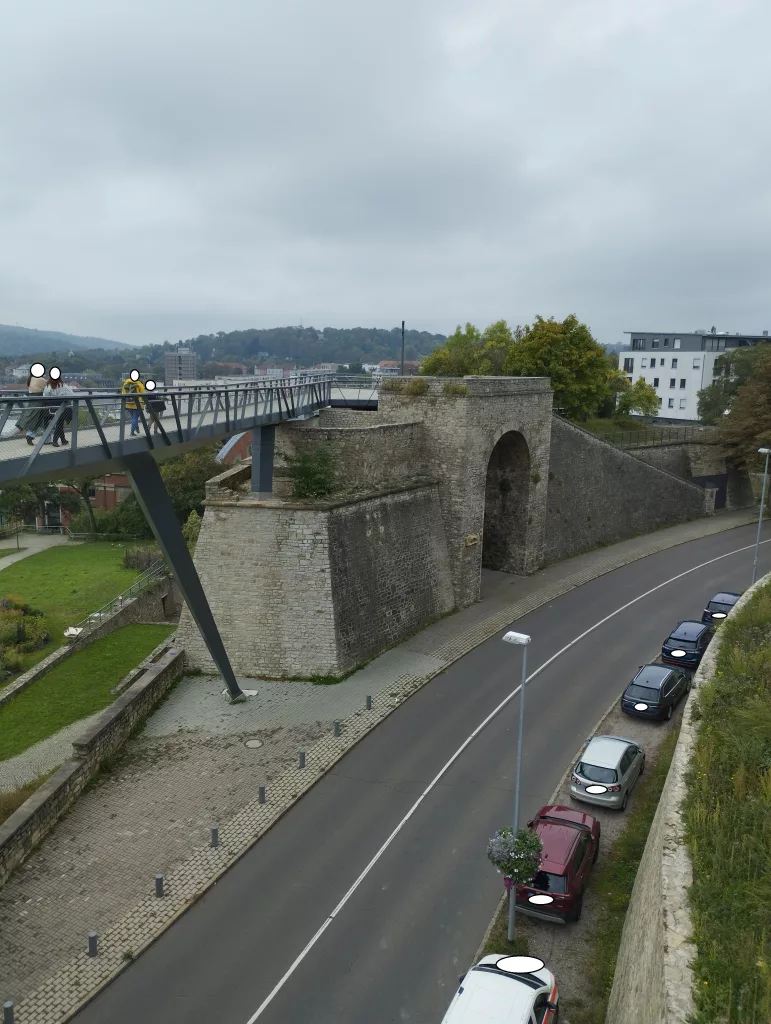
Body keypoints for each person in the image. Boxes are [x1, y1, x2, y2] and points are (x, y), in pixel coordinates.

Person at [15, 371, 48, 446]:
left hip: (32, 400)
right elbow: (48, 387)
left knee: (33, 418)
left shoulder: (31, 378)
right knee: (39, 420)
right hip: (40, 401)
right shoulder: (41, 379)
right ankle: (31, 436)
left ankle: (29, 433)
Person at [42, 375, 75, 446]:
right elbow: (72, 395)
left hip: (51, 407)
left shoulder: (48, 386)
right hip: (61, 406)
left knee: (59, 423)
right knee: (60, 423)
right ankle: (55, 441)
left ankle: (63, 440)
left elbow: (45, 396)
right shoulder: (63, 386)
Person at [121, 371, 146, 436]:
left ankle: (136, 428)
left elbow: (123, 393)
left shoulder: (126, 383)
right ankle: (132, 432)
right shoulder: (139, 383)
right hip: (137, 403)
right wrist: (144, 402)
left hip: (128, 403)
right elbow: (143, 393)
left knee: (133, 418)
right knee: (135, 418)